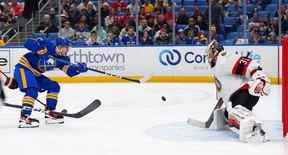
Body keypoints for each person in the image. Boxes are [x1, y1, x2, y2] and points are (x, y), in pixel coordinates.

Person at [14, 37, 88, 128]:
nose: (68, 50)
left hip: (36, 74)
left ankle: (50, 113)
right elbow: (27, 42)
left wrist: (78, 69)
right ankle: (24, 118)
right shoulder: (48, 45)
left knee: (54, 86)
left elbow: (69, 71)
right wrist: (37, 46)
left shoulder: (64, 59)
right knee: (32, 90)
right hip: (24, 68)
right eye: (67, 48)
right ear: (60, 47)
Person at [206, 40, 271, 142]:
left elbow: (248, 64)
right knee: (227, 115)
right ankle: (245, 119)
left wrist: (259, 76)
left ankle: (254, 129)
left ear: (216, 52)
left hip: (243, 93)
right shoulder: (217, 65)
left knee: (233, 114)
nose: (208, 56)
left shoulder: (224, 58)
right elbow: (224, 87)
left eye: (210, 53)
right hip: (237, 96)